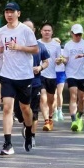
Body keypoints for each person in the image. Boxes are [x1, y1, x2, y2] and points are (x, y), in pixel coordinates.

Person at [0, 2, 39, 156]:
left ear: (18, 13)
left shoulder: (26, 30)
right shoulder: (2, 31)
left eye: (12, 12)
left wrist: (19, 47)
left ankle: (28, 132)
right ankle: (8, 144)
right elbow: (2, 47)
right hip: (7, 74)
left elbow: (35, 49)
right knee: (7, 108)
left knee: (25, 108)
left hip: (24, 75)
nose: (9, 14)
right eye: (6, 12)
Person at [61, 24, 84, 132]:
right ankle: (73, 121)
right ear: (72, 33)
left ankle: (80, 116)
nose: (78, 36)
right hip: (71, 74)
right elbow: (66, 59)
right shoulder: (68, 45)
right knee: (73, 96)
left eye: (80, 34)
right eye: (76, 34)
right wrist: (62, 60)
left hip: (83, 75)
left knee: (82, 98)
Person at [23, 20, 49, 148]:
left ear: (33, 31)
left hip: (35, 82)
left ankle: (32, 135)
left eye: (30, 28)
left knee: (34, 111)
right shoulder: (16, 45)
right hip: (19, 82)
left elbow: (46, 62)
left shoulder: (40, 46)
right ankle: (26, 125)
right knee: (21, 112)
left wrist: (40, 68)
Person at [38, 23, 62, 131]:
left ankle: (50, 117)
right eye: (45, 30)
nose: (47, 32)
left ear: (52, 32)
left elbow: (59, 60)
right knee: (43, 98)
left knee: (51, 100)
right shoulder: (37, 43)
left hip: (52, 75)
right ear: (41, 32)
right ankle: (46, 121)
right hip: (40, 74)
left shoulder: (56, 45)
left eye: (49, 30)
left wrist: (59, 60)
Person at [53, 37, 67, 122]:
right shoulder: (50, 51)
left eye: (57, 42)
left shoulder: (63, 52)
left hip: (61, 73)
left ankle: (60, 110)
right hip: (52, 73)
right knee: (54, 94)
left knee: (59, 93)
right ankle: (55, 111)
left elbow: (67, 61)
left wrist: (63, 60)